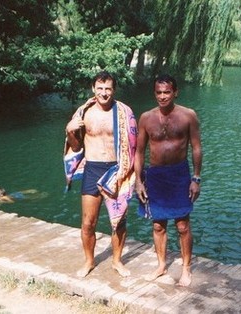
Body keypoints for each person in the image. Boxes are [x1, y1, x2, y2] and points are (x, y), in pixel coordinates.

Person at [65, 71, 137, 278]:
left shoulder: (124, 112)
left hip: (118, 169)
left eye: (108, 89)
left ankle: (116, 261)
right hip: (93, 169)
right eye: (100, 88)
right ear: (93, 89)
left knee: (119, 221)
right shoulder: (83, 113)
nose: (104, 93)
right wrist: (70, 133)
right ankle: (89, 261)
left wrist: (136, 176)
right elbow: (77, 147)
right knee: (88, 222)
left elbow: (134, 145)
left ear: (114, 90)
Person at [134, 74, 202, 287]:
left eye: (167, 92)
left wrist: (196, 178)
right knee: (158, 225)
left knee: (182, 225)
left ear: (175, 92)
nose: (162, 97)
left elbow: (197, 148)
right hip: (155, 175)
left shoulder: (188, 115)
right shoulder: (146, 118)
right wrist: (138, 180)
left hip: (179, 175)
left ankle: (186, 268)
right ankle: (161, 265)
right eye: (158, 92)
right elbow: (139, 151)